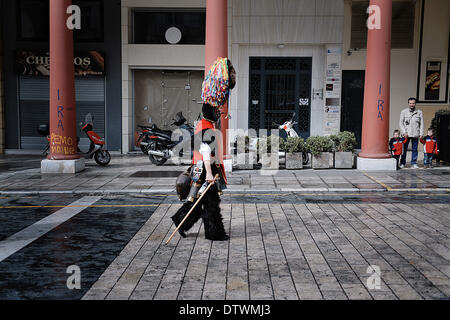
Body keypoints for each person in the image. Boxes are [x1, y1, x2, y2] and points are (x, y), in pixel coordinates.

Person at [171, 58, 236, 241]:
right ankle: (213, 233)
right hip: (205, 170)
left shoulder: (202, 124)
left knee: (203, 202)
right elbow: (206, 151)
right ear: (212, 114)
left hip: (201, 168)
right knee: (210, 203)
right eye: (217, 112)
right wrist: (209, 173)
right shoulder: (207, 127)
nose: (219, 113)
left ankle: (182, 221)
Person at [399, 98, 424, 169]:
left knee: (415, 149)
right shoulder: (404, 112)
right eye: (410, 103)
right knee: (404, 149)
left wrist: (421, 133)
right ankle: (402, 163)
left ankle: (414, 163)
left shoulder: (419, 112)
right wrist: (404, 132)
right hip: (406, 134)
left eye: (413, 103)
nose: (411, 105)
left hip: (415, 133)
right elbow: (401, 123)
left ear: (415, 104)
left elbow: (421, 124)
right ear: (408, 103)